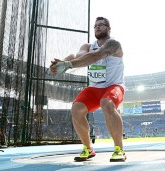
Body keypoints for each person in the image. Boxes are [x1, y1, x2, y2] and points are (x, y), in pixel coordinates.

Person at [50, 17, 126, 162]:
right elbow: (78, 56)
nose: (97, 28)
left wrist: (68, 65)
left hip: (113, 86)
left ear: (109, 29)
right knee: (76, 109)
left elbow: (95, 56)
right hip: (94, 88)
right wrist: (62, 63)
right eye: (95, 26)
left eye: (101, 25)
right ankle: (88, 148)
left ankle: (119, 150)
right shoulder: (87, 46)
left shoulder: (114, 44)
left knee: (107, 104)